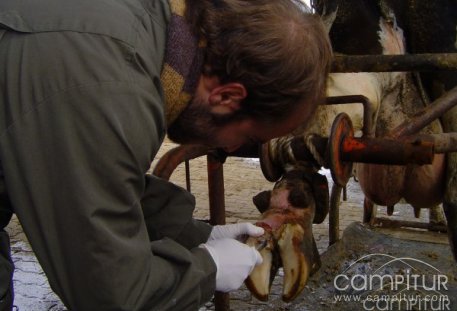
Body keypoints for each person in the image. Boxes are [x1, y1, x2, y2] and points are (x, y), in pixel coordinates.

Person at [0, 0, 331, 309]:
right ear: (226, 96)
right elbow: (110, 294)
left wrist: (198, 235)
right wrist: (207, 269)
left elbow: (92, 180)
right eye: (248, 136)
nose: (230, 149)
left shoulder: (153, 39)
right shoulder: (110, 81)